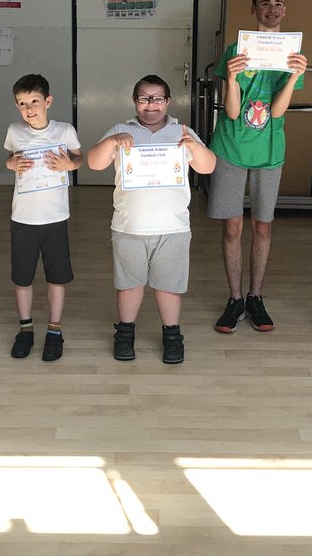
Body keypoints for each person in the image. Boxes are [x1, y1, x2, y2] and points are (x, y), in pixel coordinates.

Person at [87, 75, 216, 364]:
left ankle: (172, 335)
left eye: (158, 98)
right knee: (129, 285)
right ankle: (125, 333)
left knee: (168, 286)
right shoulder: (121, 130)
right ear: (135, 102)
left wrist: (193, 147)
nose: (151, 105)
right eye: (144, 98)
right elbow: (94, 163)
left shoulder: (182, 131)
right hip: (129, 226)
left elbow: (208, 167)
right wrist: (111, 141)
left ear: (168, 102)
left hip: (173, 227)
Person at [208, 0, 307, 334]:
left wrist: (296, 74)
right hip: (231, 148)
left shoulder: (292, 54)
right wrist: (232, 79)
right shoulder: (237, 48)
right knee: (232, 225)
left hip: (269, 153)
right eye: (264, 2)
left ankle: (255, 296)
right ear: (253, 9)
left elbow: (278, 113)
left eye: (278, 2)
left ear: (285, 8)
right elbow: (232, 113)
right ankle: (235, 298)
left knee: (262, 226)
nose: (272, 8)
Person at [4, 74, 82, 361]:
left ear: (47, 101)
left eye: (34, 101)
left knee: (56, 277)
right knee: (22, 278)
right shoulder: (14, 130)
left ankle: (54, 330)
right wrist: (9, 163)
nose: (29, 108)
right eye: (22, 103)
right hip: (22, 218)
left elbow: (79, 158)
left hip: (55, 218)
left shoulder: (64, 131)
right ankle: (25, 329)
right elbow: (11, 160)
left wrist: (70, 164)